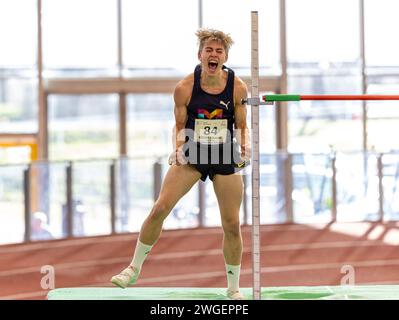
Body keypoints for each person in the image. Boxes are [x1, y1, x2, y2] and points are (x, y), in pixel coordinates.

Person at [111, 28, 250, 300]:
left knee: (232, 224)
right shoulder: (184, 88)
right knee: (160, 207)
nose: (213, 55)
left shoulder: (238, 87)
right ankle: (133, 268)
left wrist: (245, 146)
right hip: (193, 154)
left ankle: (233, 289)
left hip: (224, 156)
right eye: (208, 50)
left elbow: (242, 126)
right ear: (199, 55)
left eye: (218, 51)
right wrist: (176, 149)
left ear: (225, 57)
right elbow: (178, 125)